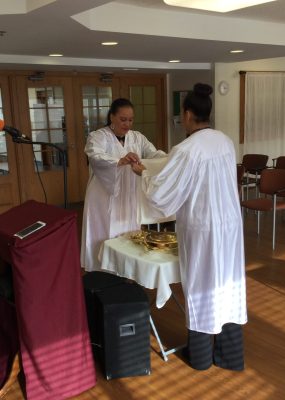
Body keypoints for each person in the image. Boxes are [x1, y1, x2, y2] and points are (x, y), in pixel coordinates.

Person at [132, 83, 247, 371]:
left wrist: (143, 174)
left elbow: (164, 194)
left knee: (202, 285)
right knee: (228, 285)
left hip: (203, 225)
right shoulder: (224, 141)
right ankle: (231, 356)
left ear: (186, 114)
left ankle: (200, 358)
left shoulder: (186, 148)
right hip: (230, 224)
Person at [81, 98, 166, 272]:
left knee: (128, 232)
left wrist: (171, 158)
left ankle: (126, 270)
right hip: (104, 195)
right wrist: (120, 160)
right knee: (104, 232)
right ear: (112, 117)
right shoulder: (98, 136)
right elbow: (95, 156)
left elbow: (153, 153)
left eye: (130, 119)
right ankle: (102, 270)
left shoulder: (137, 137)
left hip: (128, 195)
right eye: (123, 119)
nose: (127, 123)